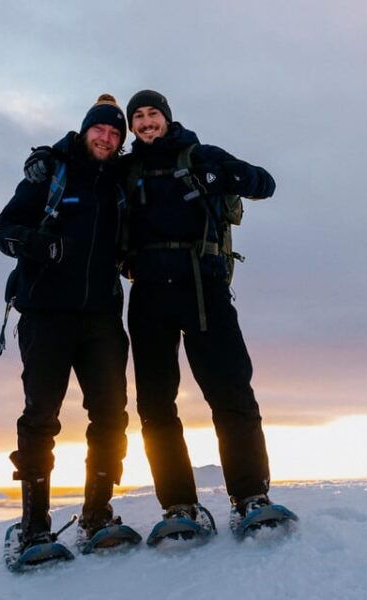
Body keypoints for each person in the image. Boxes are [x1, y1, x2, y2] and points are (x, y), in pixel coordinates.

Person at [121, 90, 278, 528]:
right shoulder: (126, 169)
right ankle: (179, 507)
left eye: (154, 113)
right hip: (149, 292)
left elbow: (264, 183)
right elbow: (81, 171)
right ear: (132, 127)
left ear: (167, 119)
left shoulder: (201, 154)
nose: (147, 121)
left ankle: (250, 497)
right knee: (155, 404)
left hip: (204, 287)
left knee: (231, 392)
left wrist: (222, 178)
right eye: (139, 116)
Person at [0, 94, 131, 553]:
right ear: (85, 130)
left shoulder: (120, 183)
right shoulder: (52, 172)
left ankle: (97, 515)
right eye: (100, 130)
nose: (106, 138)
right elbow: (5, 229)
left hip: (102, 319)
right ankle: (34, 524)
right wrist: (41, 246)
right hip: (46, 314)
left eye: (115, 133)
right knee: (40, 418)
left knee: (111, 415)